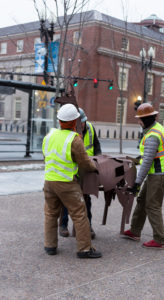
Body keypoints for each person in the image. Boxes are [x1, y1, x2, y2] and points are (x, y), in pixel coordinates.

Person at [42, 103, 102, 258]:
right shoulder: (74, 140)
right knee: (79, 213)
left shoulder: (49, 136)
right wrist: (95, 167)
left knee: (50, 213)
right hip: (67, 183)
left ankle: (50, 246)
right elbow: (84, 162)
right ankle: (84, 249)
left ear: (59, 120)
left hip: (49, 181)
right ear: (75, 121)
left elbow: (46, 158)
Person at [124, 103, 164, 249]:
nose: (138, 121)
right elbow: (150, 155)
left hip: (160, 173)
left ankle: (160, 239)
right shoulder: (155, 128)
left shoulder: (152, 135)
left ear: (145, 120)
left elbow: (147, 162)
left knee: (152, 205)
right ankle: (135, 231)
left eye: (139, 119)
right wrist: (137, 159)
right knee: (142, 200)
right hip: (159, 171)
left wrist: (137, 183)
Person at [59, 107, 102, 239]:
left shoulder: (90, 129)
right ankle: (63, 225)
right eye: (79, 122)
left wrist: (97, 161)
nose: (82, 125)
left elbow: (97, 147)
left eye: (83, 122)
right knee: (67, 199)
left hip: (87, 170)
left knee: (86, 200)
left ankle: (88, 226)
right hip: (71, 170)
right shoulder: (67, 132)